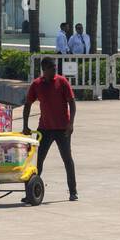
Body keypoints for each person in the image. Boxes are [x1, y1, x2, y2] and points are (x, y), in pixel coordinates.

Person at [22, 57, 78, 202]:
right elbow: (27, 104)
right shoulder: (37, 84)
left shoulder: (62, 82)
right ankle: (31, 193)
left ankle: (73, 191)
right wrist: (25, 125)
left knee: (67, 159)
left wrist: (71, 124)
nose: (55, 70)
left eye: (55, 67)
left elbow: (72, 103)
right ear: (44, 69)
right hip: (44, 129)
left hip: (62, 129)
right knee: (38, 161)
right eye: (52, 68)